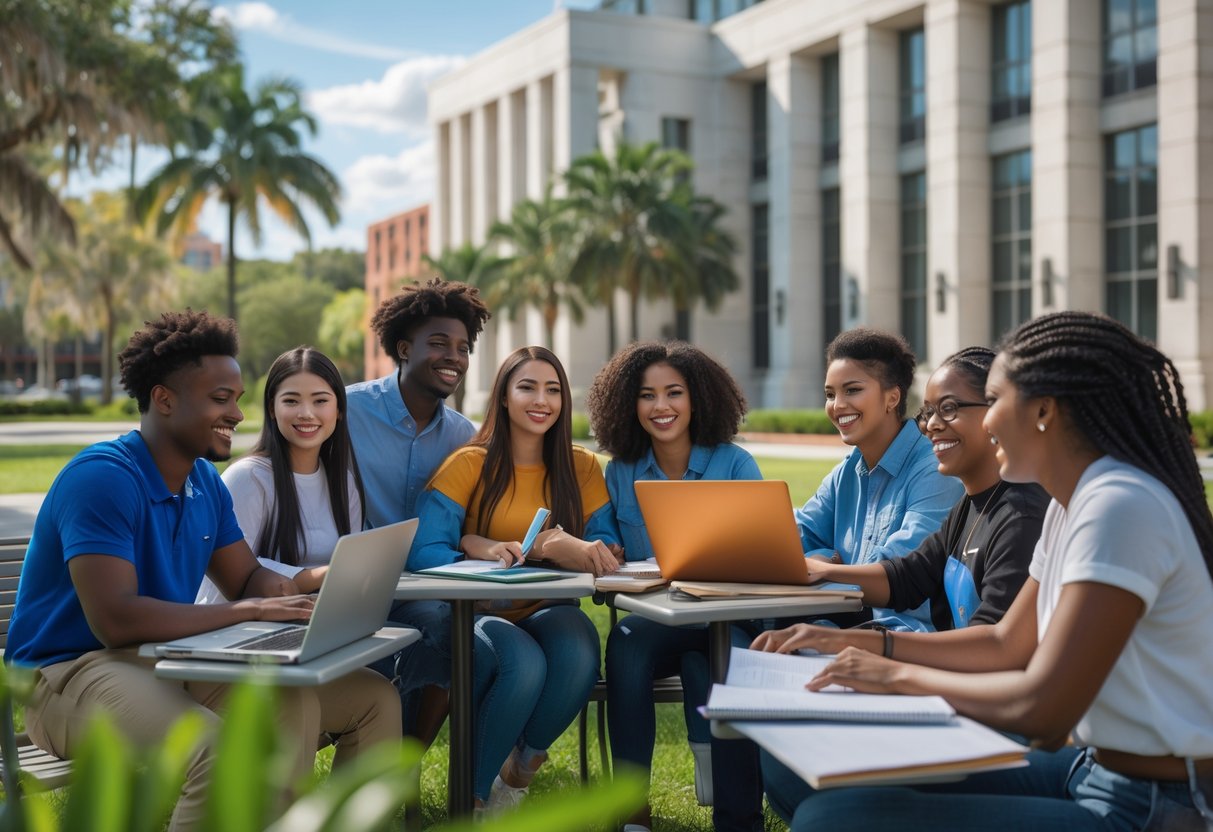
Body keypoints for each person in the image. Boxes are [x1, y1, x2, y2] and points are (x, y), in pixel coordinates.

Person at [763, 312, 1213, 831]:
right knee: (820, 780)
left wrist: (893, 676)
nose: (988, 421)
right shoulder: (1070, 505)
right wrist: (862, 647)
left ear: (1044, 410)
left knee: (836, 818)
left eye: (994, 402)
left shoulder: (1119, 505)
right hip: (1091, 769)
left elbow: (1043, 711)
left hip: (1154, 806)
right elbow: (1005, 643)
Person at [6, 311, 400, 832]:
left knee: (365, 701)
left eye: (237, 398)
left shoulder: (202, 482)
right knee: (215, 754)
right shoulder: (101, 478)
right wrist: (252, 608)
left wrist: (298, 594)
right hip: (69, 675)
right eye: (222, 399)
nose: (238, 414)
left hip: (163, 662)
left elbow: (244, 576)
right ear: (165, 399)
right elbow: (116, 621)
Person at [715, 328, 964, 832]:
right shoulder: (848, 470)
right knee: (730, 639)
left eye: (852, 390)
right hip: (846, 617)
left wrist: (827, 565)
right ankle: (734, 811)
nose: (836, 405)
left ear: (893, 397)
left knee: (745, 638)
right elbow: (795, 535)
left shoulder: (933, 469)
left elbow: (898, 569)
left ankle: (738, 801)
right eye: (830, 393)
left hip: (905, 635)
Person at [408, 346, 621, 813]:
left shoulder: (581, 465)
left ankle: (522, 766)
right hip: (476, 614)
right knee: (521, 663)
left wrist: (564, 549)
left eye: (553, 389)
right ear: (503, 396)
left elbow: (605, 541)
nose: (540, 399)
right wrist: (478, 544)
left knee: (579, 649)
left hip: (548, 609)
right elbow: (424, 552)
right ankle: (473, 802)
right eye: (526, 387)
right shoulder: (468, 464)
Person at [754, 346, 1048, 648]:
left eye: (948, 409)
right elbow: (905, 578)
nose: (931, 425)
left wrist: (878, 650)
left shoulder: (1021, 516)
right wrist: (821, 569)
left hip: (960, 676)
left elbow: (994, 647)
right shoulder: (970, 506)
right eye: (928, 412)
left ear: (996, 413)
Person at [584, 340, 761, 832]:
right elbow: (604, 544)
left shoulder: (735, 465)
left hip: (728, 616)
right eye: (646, 395)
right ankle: (631, 809)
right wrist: (606, 552)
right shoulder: (618, 474)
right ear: (628, 404)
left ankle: (738, 818)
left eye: (674, 393)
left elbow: (760, 551)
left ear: (697, 398)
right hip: (659, 619)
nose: (660, 407)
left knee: (713, 660)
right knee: (625, 646)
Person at [345, 278, 491, 743]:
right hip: (349, 583)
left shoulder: (464, 438)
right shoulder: (346, 411)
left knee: (453, 635)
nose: (454, 357)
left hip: (425, 589)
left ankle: (404, 762)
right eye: (440, 344)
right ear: (404, 348)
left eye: (463, 348)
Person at [196, 346, 363, 603]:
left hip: (322, 614)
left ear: (339, 410)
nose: (306, 413)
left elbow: (348, 570)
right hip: (244, 626)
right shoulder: (248, 477)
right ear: (272, 409)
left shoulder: (344, 482)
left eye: (320, 400)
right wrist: (318, 576)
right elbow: (236, 571)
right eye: (291, 401)